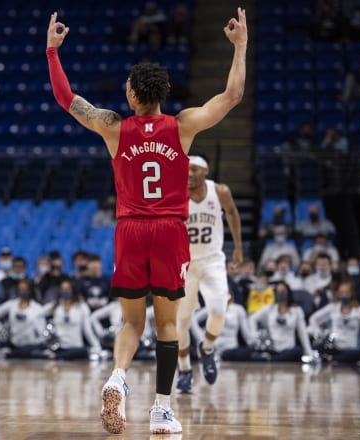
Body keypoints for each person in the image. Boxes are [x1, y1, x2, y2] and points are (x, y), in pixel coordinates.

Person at [46, 7, 247, 434]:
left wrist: (52, 51)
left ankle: (118, 377)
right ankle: (161, 409)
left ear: (134, 95)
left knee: (131, 322)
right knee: (169, 323)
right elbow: (231, 97)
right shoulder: (183, 125)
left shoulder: (114, 127)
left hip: (131, 230)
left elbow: (67, 99)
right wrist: (241, 46)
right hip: (171, 231)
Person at [175, 155, 243, 394]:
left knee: (218, 311)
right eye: (185, 170)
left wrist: (238, 248)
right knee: (180, 324)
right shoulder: (175, 194)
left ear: (205, 171)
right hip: (184, 264)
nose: (189, 174)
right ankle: (184, 370)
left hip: (213, 260)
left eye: (194, 170)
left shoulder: (220, 191)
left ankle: (207, 349)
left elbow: (233, 213)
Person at [308, 280, 360, 364]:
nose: (344, 295)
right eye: (342, 292)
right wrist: (318, 333)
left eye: (347, 292)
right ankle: (334, 358)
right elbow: (313, 318)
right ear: (338, 294)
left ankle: (331, 359)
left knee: (358, 354)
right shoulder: (333, 307)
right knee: (316, 347)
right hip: (334, 347)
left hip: (351, 349)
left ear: (351, 294)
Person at [248, 281, 314, 362]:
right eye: (278, 292)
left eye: (283, 291)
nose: (280, 294)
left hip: (289, 350)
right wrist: (254, 334)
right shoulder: (270, 308)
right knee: (251, 353)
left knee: (298, 351)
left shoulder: (297, 310)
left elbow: (302, 333)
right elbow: (252, 319)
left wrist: (308, 352)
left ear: (288, 293)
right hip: (272, 348)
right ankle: (272, 359)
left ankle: (271, 360)